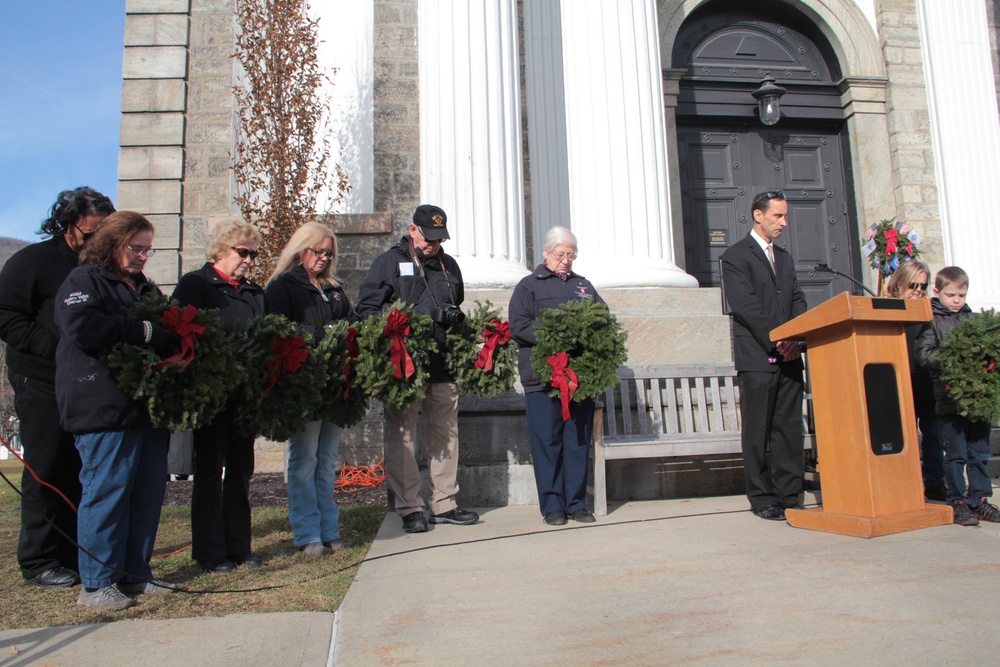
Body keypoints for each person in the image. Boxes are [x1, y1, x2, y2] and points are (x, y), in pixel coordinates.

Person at [55, 211, 178, 611]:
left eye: (148, 249)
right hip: (102, 406)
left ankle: (135, 573)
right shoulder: (85, 280)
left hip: (145, 408)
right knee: (107, 491)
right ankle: (96, 583)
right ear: (112, 243)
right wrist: (143, 331)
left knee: (146, 492)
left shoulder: (143, 288)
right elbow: (83, 327)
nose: (144, 256)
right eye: (136, 248)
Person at [0, 187, 114, 589]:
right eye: (90, 234)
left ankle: (72, 552)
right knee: (47, 467)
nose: (96, 242)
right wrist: (51, 347)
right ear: (68, 226)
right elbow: (7, 317)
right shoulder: (31, 262)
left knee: (82, 469)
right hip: (41, 379)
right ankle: (39, 559)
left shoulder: (105, 268)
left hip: (84, 385)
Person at [355, 204, 479, 533]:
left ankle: (444, 502)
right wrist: (406, 323)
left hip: (442, 366)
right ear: (413, 230)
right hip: (404, 365)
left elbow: (457, 303)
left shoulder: (448, 264)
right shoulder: (389, 262)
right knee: (403, 437)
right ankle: (410, 506)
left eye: (439, 239)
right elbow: (366, 309)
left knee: (445, 434)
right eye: (428, 237)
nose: (433, 245)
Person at [172, 218, 266, 572]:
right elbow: (180, 329)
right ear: (222, 250)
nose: (249, 260)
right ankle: (210, 553)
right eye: (244, 252)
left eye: (254, 254)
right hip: (211, 393)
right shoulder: (196, 284)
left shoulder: (255, 293)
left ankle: (239, 547)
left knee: (242, 470)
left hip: (244, 394)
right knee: (210, 472)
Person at [266, 222, 353, 556]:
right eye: (317, 252)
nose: (323, 259)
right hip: (302, 383)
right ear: (301, 249)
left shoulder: (333, 288)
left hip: (332, 385)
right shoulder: (282, 287)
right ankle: (306, 533)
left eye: (328, 254)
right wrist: (325, 331)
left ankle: (329, 529)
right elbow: (282, 329)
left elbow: (351, 320)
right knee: (303, 460)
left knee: (326, 458)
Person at [720, 191, 808, 521]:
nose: (784, 223)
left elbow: (797, 298)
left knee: (788, 429)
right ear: (758, 216)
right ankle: (761, 496)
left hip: (789, 356)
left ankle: (789, 493)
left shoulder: (783, 258)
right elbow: (748, 308)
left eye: (785, 217)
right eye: (778, 217)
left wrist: (797, 338)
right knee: (759, 431)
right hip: (759, 357)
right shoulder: (735, 257)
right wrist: (778, 341)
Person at [509, 227, 605, 526]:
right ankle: (552, 505)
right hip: (543, 378)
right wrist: (556, 335)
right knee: (547, 442)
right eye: (560, 254)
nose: (566, 260)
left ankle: (576, 503)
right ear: (546, 254)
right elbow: (518, 325)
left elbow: (602, 317)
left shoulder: (584, 286)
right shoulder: (529, 286)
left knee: (577, 441)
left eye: (571, 255)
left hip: (580, 378)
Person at [913, 266, 998, 526]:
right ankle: (958, 501)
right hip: (951, 400)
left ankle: (979, 500)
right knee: (956, 453)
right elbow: (924, 355)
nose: (957, 301)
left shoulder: (975, 320)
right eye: (951, 295)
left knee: (980, 452)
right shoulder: (931, 321)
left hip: (978, 400)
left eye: (961, 295)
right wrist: (957, 357)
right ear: (937, 292)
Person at [886, 260, 946, 501]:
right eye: (914, 285)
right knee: (905, 439)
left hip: (928, 385)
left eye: (923, 286)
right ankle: (906, 484)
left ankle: (934, 483)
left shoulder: (930, 311)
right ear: (900, 283)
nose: (919, 290)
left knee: (934, 436)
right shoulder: (887, 309)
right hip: (901, 383)